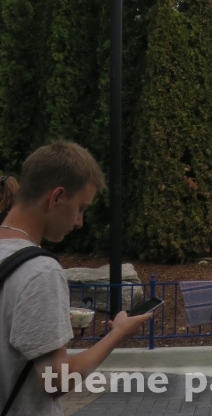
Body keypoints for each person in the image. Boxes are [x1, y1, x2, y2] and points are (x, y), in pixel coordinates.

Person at [1, 142, 154, 415]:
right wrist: (117, 335)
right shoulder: (41, 271)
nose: (79, 222)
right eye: (81, 208)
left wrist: (53, 323)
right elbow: (56, 381)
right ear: (57, 197)